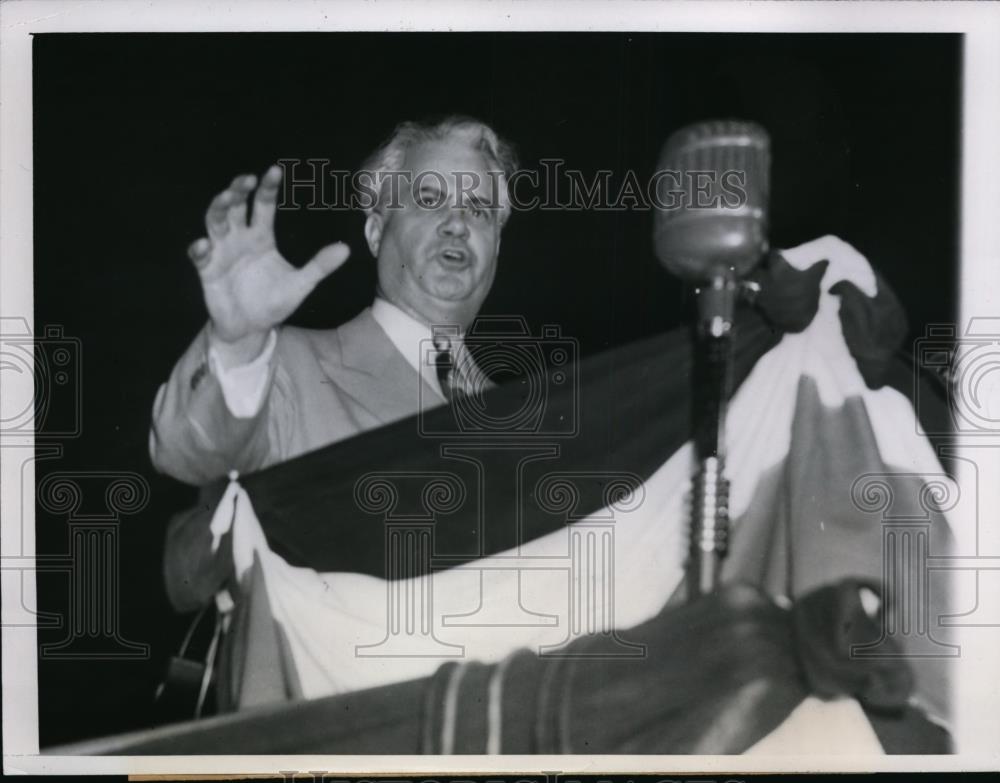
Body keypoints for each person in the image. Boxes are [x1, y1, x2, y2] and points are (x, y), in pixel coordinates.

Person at [150, 116, 517, 486]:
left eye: (478, 210)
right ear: (376, 233)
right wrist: (236, 344)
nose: (457, 223)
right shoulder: (287, 365)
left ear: (497, 247)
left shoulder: (529, 419)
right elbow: (190, 451)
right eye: (429, 199)